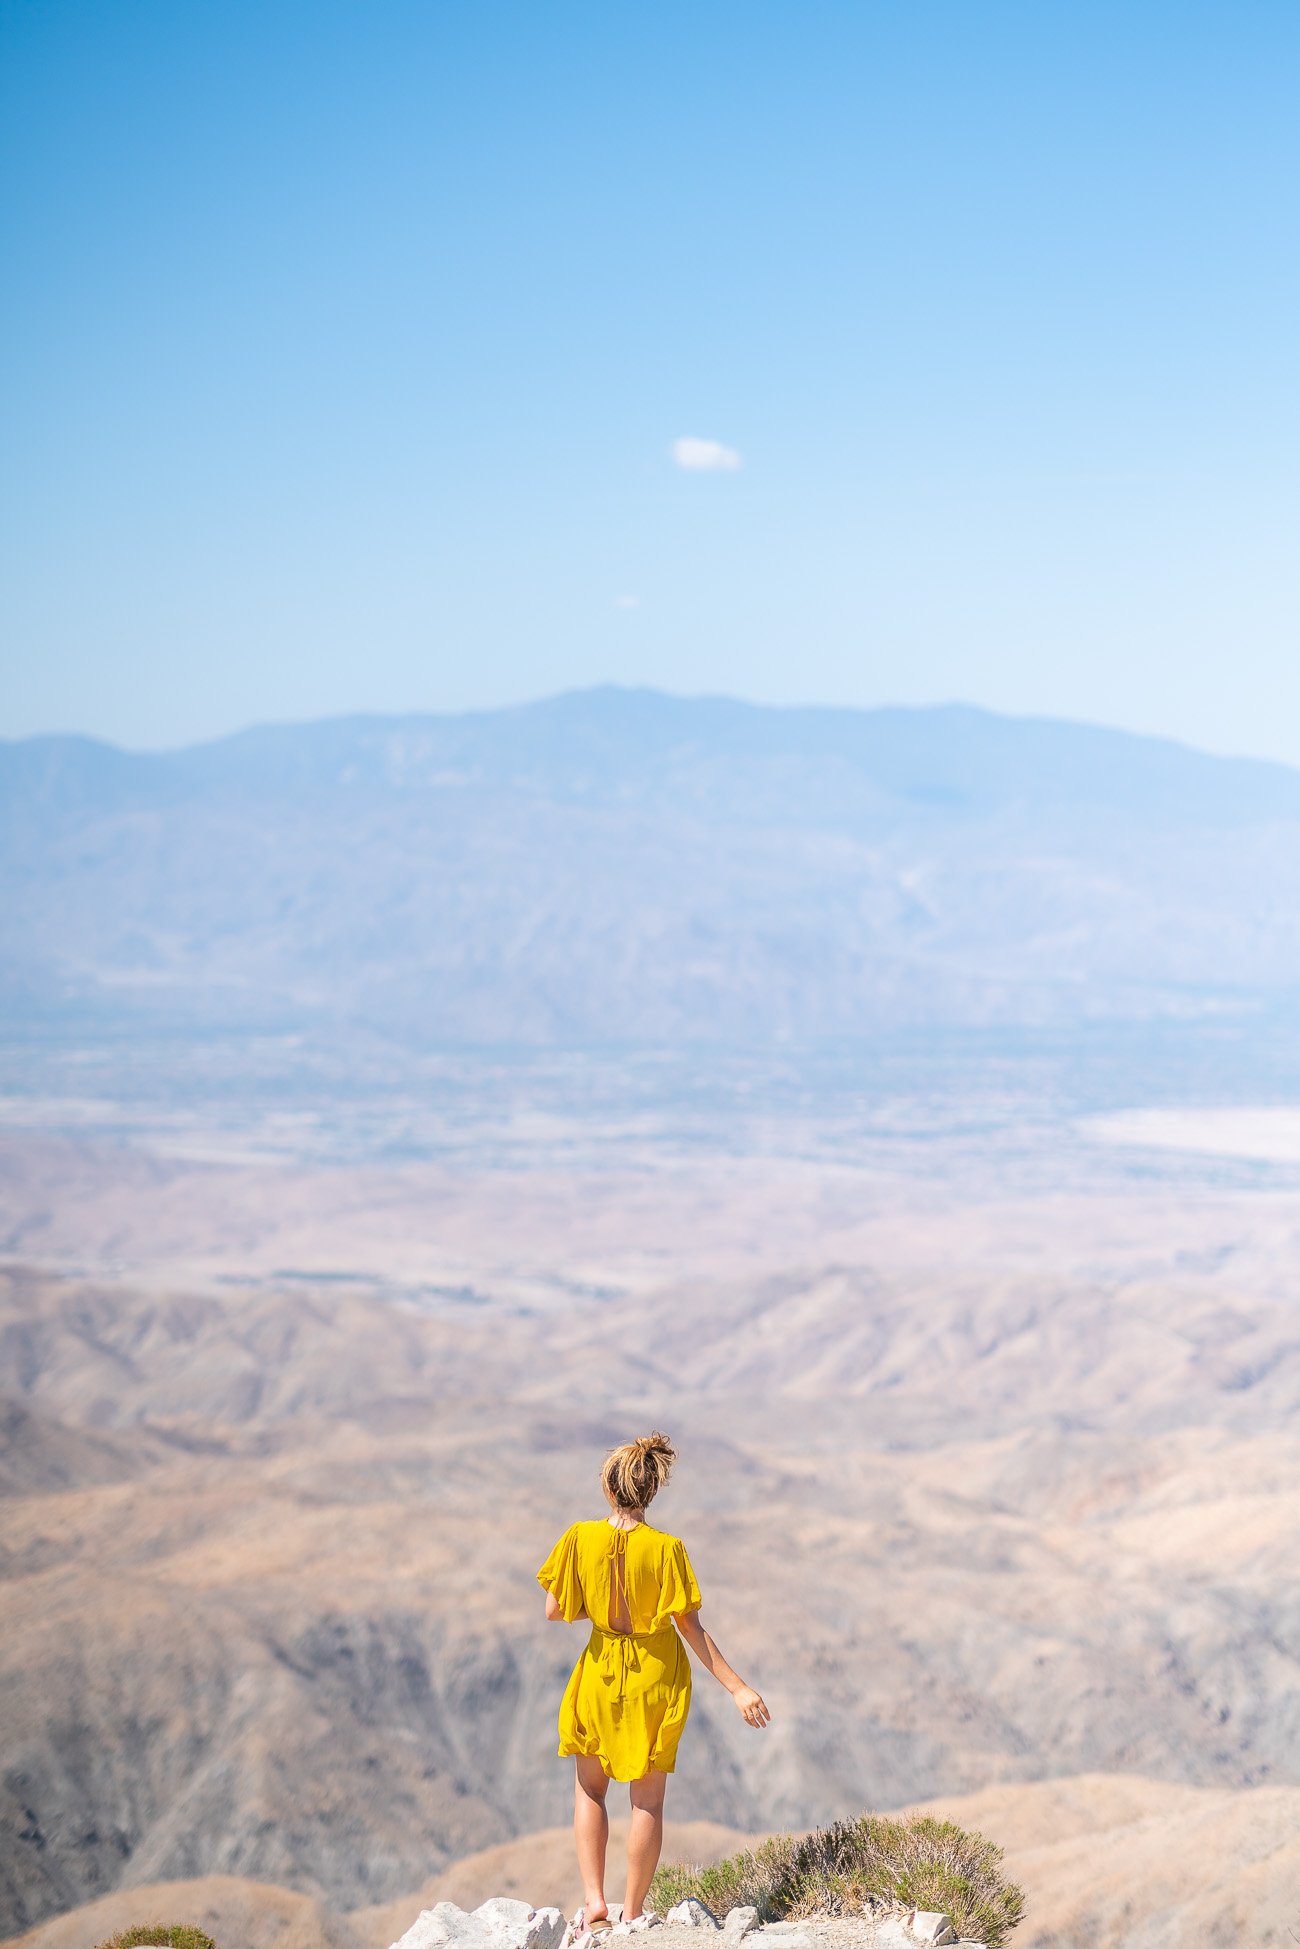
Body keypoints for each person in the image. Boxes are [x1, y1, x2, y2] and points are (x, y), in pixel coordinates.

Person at [536, 1431, 770, 1938]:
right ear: (651, 1491)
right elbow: (692, 1631)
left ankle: (595, 1901)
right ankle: (634, 1911)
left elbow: (554, 1611)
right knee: (647, 1801)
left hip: (599, 1672)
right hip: (654, 1679)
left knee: (589, 1790)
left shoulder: (579, 1538)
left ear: (608, 1487)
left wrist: (597, 1605)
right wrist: (738, 1689)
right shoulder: (667, 1550)